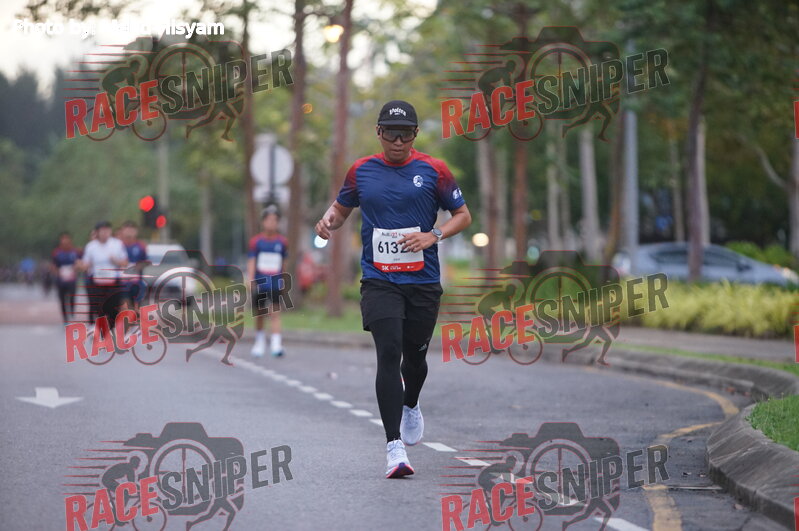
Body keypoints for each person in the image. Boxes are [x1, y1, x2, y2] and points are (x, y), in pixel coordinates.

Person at [315, 100, 472, 478]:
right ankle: (394, 448)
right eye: (390, 133)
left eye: (404, 135)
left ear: (415, 134)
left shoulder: (434, 170)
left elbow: (463, 216)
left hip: (423, 281)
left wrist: (433, 235)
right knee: (388, 352)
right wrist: (327, 221)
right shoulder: (361, 171)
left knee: (414, 360)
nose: (397, 142)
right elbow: (340, 209)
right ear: (379, 133)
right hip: (379, 279)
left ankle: (411, 403)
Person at [247, 204, 288, 358]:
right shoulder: (256, 242)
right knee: (260, 313)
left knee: (275, 311)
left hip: (275, 282)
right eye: (269, 220)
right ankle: (259, 342)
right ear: (263, 222)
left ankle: (276, 344)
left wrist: (284, 279)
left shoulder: (282, 242)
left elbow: (284, 263)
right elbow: (252, 260)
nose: (272, 223)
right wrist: (251, 279)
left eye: (275, 220)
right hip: (261, 282)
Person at [78, 221, 129, 333]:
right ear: (97, 232)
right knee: (100, 308)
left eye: (107, 230)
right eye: (102, 230)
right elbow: (85, 264)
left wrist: (116, 261)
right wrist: (81, 265)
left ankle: (111, 328)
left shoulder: (117, 244)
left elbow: (125, 262)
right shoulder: (91, 246)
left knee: (113, 308)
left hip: (113, 282)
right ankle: (103, 331)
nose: (105, 233)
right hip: (97, 283)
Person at [51, 232, 82, 323]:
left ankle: (72, 312)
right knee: (62, 299)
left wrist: (76, 268)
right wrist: (57, 272)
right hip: (61, 279)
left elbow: (80, 262)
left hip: (72, 279)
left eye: (67, 239)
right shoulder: (56, 252)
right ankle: (65, 318)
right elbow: (53, 265)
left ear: (70, 240)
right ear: (60, 240)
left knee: (72, 297)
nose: (65, 241)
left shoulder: (75, 252)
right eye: (63, 239)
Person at [120, 221, 148, 311]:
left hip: (136, 282)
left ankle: (136, 317)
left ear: (136, 232)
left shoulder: (141, 246)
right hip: (122, 283)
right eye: (127, 230)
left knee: (136, 309)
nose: (129, 232)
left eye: (131, 230)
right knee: (125, 307)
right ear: (122, 231)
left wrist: (139, 266)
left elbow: (145, 261)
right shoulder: (118, 245)